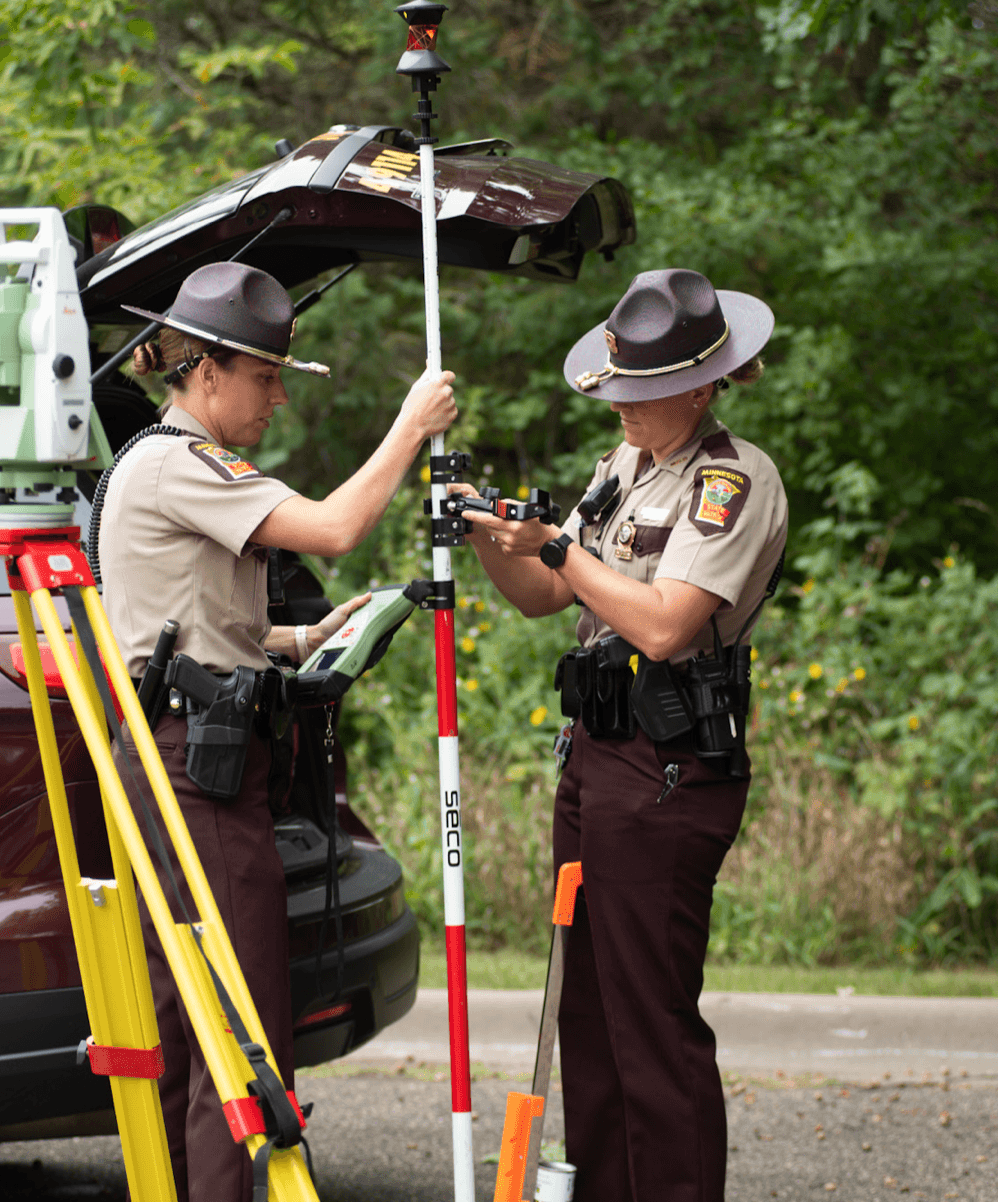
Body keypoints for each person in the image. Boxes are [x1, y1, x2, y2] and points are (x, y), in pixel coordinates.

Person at [92, 260, 456, 1202]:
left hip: (187, 755)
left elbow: (192, 622)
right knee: (237, 1031)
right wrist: (410, 428)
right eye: (265, 377)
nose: (278, 399)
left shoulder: (168, 465)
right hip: (199, 775)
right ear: (206, 371)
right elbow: (335, 529)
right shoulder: (181, 462)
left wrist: (306, 634)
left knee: (188, 1022)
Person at [453, 268, 785, 1202]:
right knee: (588, 1016)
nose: (621, 406)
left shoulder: (733, 479)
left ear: (701, 383)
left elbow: (666, 624)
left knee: (650, 1019)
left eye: (639, 392)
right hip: (596, 758)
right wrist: (495, 537)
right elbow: (544, 598)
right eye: (617, 385)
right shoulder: (621, 468)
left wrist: (559, 548)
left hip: (668, 764)